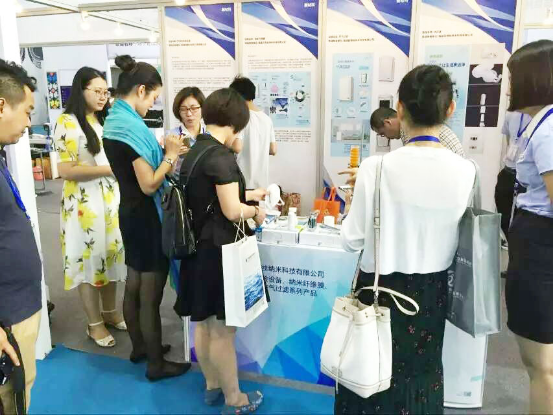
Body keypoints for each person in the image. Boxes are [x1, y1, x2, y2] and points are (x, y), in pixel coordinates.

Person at [337, 65, 476, 414]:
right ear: (450, 109)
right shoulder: (467, 170)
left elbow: (351, 241)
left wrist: (353, 206)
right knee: (421, 376)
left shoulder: (375, 168)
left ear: (399, 109)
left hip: (379, 289)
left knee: (369, 375)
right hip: (431, 293)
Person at [174, 88, 266, 414]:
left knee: (203, 324)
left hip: (197, 249)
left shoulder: (196, 149)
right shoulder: (222, 157)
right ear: (236, 123)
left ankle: (212, 385)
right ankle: (235, 399)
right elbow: (231, 210)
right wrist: (255, 211)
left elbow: (209, 196)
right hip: (219, 252)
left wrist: (247, 194)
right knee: (223, 331)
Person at [103, 55, 190, 381]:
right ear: (141, 90)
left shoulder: (113, 122)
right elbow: (150, 183)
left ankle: (140, 348)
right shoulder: (131, 129)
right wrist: (170, 156)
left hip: (129, 212)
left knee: (135, 284)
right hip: (148, 217)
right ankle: (156, 363)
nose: (152, 104)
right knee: (150, 294)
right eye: (153, 97)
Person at [54, 67, 126, 348]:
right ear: (80, 90)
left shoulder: (105, 119)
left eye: (105, 91)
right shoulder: (67, 122)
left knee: (110, 255)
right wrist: (108, 169)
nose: (102, 96)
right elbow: (65, 170)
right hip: (83, 204)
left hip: (110, 200)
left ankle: (111, 312)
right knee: (89, 261)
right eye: (97, 91)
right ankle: (94, 323)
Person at [505, 39, 553, 415]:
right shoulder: (540, 125)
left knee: (541, 365)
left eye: (513, 78)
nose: (508, 87)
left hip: (540, 250)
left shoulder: (549, 131)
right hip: (535, 243)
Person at [0, 59, 42, 413]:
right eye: (27, 111)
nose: (29, 123)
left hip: (17, 308)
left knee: (20, 390)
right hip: (7, 315)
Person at [229, 76, 277, 189]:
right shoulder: (266, 119)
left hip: (242, 183)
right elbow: (273, 150)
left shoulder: (240, 117)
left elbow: (237, 147)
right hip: (261, 183)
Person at [494, 111, 531, 244]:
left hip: (527, 177)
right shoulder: (511, 113)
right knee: (504, 214)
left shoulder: (544, 116)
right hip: (508, 171)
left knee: (522, 220)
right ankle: (508, 240)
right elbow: (508, 138)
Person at [371, 106, 465, 156]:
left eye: (383, 134)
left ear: (388, 122)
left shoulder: (409, 129)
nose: (387, 137)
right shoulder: (412, 122)